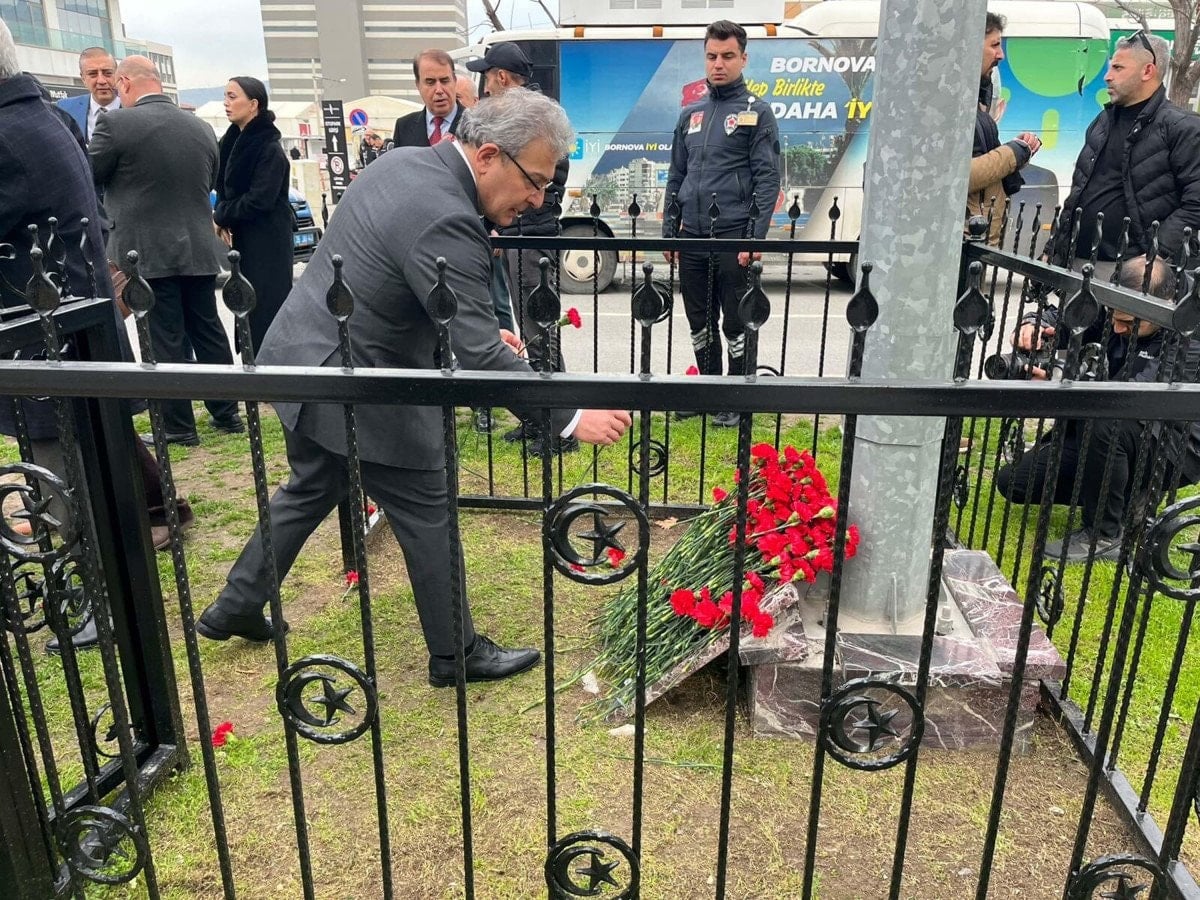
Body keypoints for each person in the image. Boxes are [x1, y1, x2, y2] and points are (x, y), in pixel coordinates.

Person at [196, 90, 632, 688]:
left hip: (304, 358)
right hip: (361, 382)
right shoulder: (448, 216)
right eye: (535, 181)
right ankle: (456, 653)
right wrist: (570, 415)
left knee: (311, 485)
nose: (537, 198)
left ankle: (235, 605)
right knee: (428, 509)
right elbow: (480, 356)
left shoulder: (404, 162)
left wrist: (474, 328)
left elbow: (392, 277)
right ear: (488, 156)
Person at [0, 23, 193, 652]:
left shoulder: (13, 129)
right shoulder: (43, 116)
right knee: (89, 455)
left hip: (48, 335)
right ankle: (135, 547)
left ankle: (104, 599)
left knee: (66, 474)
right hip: (65, 322)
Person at [995, 256, 1200, 562]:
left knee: (1106, 417)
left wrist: (1057, 381)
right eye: (1114, 317)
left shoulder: (1191, 328)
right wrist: (1036, 325)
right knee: (1014, 482)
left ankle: (1104, 534)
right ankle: (1127, 495)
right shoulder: (1119, 305)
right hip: (1107, 428)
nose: (1116, 327)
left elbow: (1135, 398)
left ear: (1164, 304)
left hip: (1171, 443)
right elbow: (1070, 315)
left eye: (1128, 323)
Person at [91, 56, 243, 446]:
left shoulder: (115, 123)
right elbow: (209, 177)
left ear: (125, 83)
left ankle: (178, 426)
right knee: (208, 329)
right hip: (197, 246)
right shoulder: (200, 127)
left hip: (145, 250)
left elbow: (92, 175)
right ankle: (227, 413)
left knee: (164, 336)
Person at [662, 20, 781, 427]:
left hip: (733, 237)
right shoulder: (690, 114)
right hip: (692, 237)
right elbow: (676, 175)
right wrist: (670, 232)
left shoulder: (757, 113)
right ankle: (708, 392)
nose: (718, 63)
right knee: (700, 321)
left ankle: (734, 397)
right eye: (712, 56)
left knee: (735, 321)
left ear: (743, 59)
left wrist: (753, 238)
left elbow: (767, 178)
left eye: (728, 56)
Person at [468, 42, 575, 454]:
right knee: (529, 328)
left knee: (541, 328)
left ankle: (558, 427)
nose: (485, 87)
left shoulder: (539, 120)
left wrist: (512, 221)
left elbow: (549, 179)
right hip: (518, 235)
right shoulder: (515, 118)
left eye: (487, 77)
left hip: (534, 237)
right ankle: (537, 418)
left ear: (500, 77)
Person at [1046, 30, 1200, 279]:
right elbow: (1079, 190)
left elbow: (1195, 204)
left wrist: (1154, 255)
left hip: (1136, 272)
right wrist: (1053, 248)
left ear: (1147, 71)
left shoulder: (1182, 127)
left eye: (1118, 68)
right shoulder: (1103, 121)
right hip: (1078, 261)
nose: (1107, 76)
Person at [214, 76, 293, 355]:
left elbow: (260, 200)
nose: (226, 103)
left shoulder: (268, 147)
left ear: (253, 104)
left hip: (268, 241)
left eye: (233, 96)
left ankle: (271, 365)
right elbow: (224, 187)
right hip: (245, 239)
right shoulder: (232, 141)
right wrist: (223, 212)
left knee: (266, 308)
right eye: (225, 96)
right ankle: (254, 362)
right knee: (246, 304)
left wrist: (222, 214)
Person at [969, 12, 1040, 245]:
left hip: (977, 241)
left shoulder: (974, 104)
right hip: (963, 242)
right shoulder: (951, 108)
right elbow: (958, 176)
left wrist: (1020, 151)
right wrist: (1013, 153)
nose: (1001, 54)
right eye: (995, 45)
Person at [391, 49, 464, 148]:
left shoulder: (477, 124)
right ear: (418, 85)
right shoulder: (404, 127)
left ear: (454, 80)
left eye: (444, 81)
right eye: (430, 82)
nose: (439, 90)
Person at [56, 47, 120, 142]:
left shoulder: (135, 108)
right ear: (83, 79)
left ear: (118, 74)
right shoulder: (64, 109)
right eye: (93, 74)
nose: (101, 81)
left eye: (107, 73)